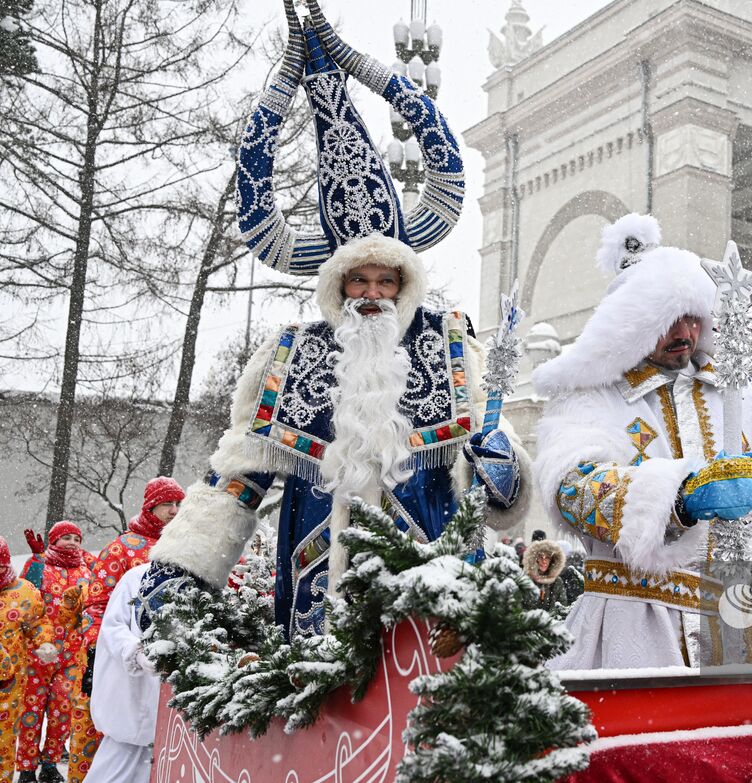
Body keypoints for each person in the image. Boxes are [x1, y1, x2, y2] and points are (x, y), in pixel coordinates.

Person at [137, 4, 529, 639]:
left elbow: (495, 473)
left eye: (384, 281)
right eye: (358, 281)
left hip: (434, 598)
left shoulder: (450, 344)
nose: (372, 294)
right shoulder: (291, 354)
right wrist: (185, 565)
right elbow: (238, 474)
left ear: (403, 285)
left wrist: (502, 464)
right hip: (316, 594)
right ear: (337, 285)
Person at [533, 214, 752, 669]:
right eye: (668, 320)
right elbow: (573, 489)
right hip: (629, 629)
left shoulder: (747, 399)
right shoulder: (592, 398)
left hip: (729, 630)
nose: (685, 334)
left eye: (693, 319)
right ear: (630, 324)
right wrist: (679, 496)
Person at [70, 476, 183, 780]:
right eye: (167, 504)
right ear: (151, 506)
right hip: (125, 661)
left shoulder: (183, 548)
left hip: (163, 668)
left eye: (178, 504)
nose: (174, 511)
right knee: (116, 737)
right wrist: (96, 652)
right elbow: (98, 605)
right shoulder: (123, 548)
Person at [17, 522, 91, 783]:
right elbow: (24, 599)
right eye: (66, 538)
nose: (72, 542)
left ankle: (50, 763)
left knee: (62, 710)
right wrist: (36, 559)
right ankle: (26, 768)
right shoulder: (41, 565)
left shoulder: (86, 569)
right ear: (54, 541)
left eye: (76, 538)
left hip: (71, 655)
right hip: (38, 654)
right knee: (31, 711)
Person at [86, 563, 159, 783]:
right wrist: (135, 652)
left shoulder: (204, 584)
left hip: (168, 716)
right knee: (115, 768)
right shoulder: (137, 577)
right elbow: (112, 627)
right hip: (133, 704)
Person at [0, 539, 57, 783]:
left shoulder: (23, 591)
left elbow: (38, 622)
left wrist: (44, 641)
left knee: (3, 742)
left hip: (8, 686)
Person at [522, 539, 584, 613]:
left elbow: (562, 606)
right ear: (535, 558)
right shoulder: (526, 580)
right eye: (541, 557)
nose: (544, 561)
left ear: (552, 560)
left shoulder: (557, 582)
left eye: (547, 557)